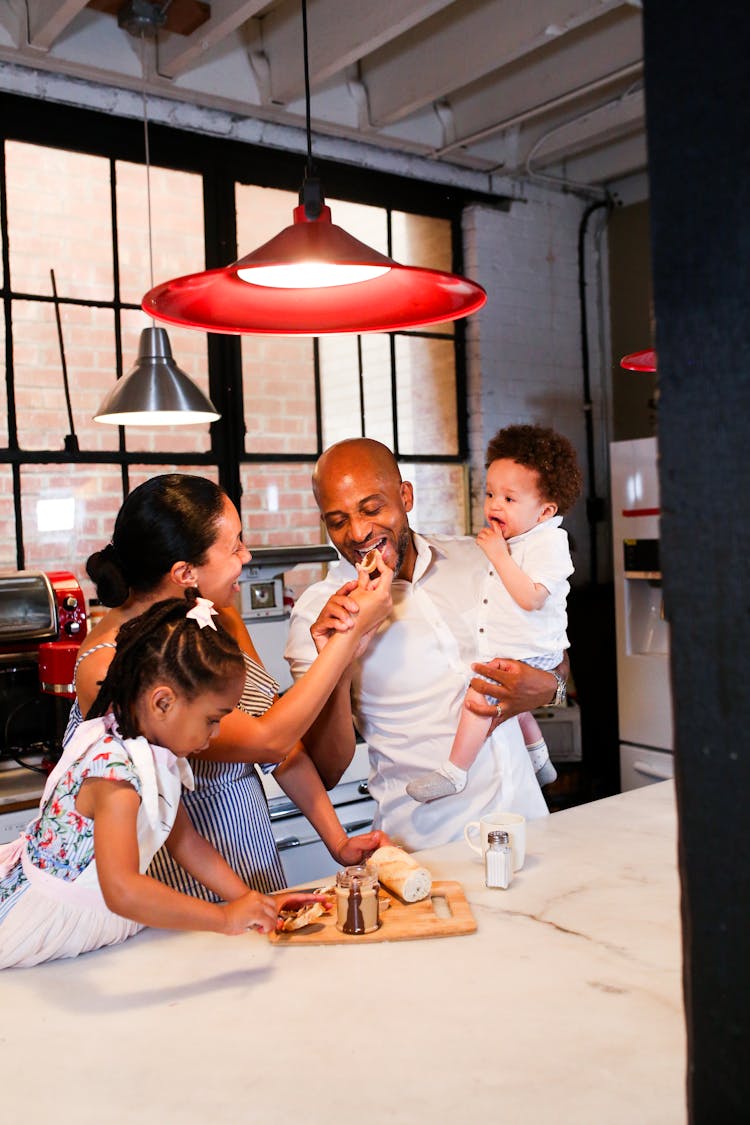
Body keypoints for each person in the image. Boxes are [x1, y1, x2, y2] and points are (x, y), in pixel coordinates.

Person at [66, 473, 393, 901]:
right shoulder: (109, 666)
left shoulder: (216, 617)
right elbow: (267, 740)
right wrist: (348, 639)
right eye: (235, 545)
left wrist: (338, 842)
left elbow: (285, 750)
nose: (247, 554)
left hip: (252, 860)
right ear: (185, 572)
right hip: (178, 886)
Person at [0, 595, 329, 969]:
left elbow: (186, 842)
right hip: (40, 927)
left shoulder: (155, 755)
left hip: (90, 926)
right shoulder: (116, 776)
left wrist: (249, 902)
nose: (218, 732)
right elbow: (122, 890)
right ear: (162, 702)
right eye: (213, 718)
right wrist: (222, 919)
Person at [285, 438, 569, 852]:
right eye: (337, 520)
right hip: (426, 849)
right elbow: (327, 769)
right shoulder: (321, 614)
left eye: (371, 508)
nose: (359, 532)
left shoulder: (480, 558)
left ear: (405, 496)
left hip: (530, 830)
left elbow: (553, 657)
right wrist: (343, 653)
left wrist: (549, 689)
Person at [405, 424, 582, 803]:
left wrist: (498, 556)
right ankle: (540, 760)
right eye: (489, 494)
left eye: (509, 498)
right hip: (519, 646)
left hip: (534, 649)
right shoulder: (514, 539)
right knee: (513, 708)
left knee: (479, 699)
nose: (494, 505)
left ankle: (455, 772)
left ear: (545, 510)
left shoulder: (550, 541)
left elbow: (533, 598)